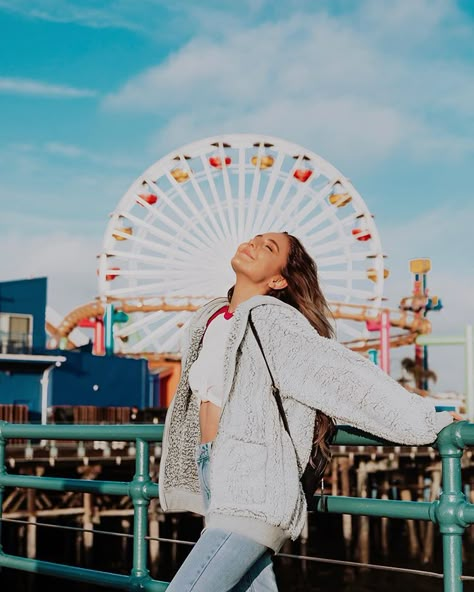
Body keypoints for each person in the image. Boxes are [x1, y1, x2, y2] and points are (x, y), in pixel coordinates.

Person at [158, 231, 456, 592]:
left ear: (278, 280)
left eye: (268, 247)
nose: (252, 244)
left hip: (251, 484)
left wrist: (425, 420)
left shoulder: (271, 321)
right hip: (215, 474)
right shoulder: (212, 319)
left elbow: (340, 378)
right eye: (254, 239)